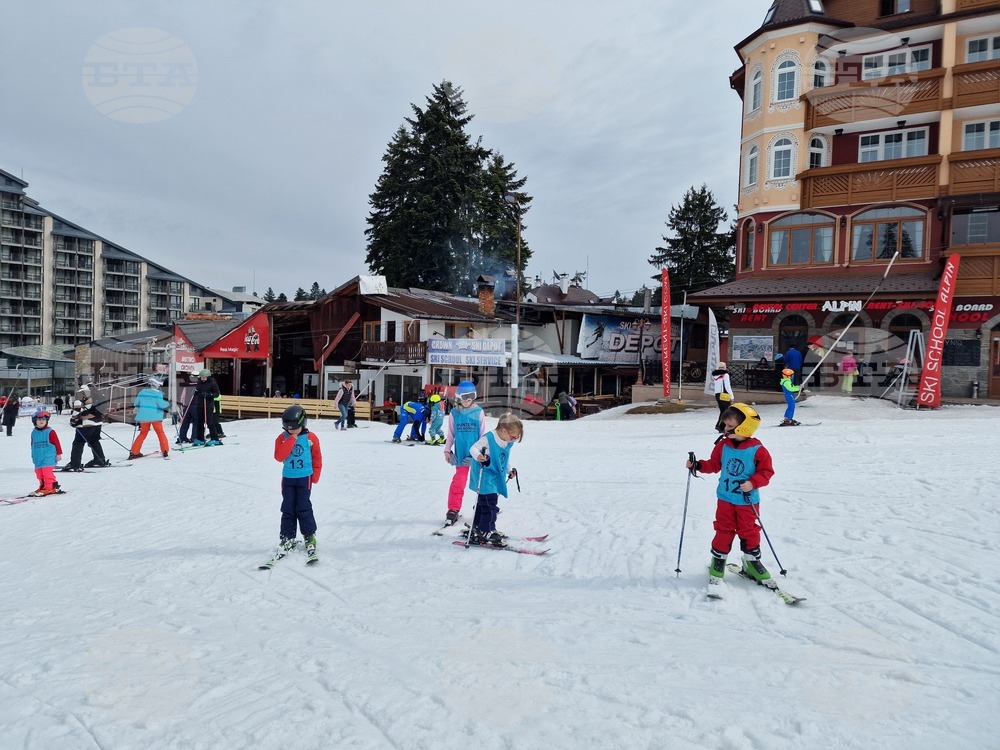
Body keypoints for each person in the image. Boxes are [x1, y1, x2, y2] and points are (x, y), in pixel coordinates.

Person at [685, 403, 774, 595]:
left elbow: (767, 472)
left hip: (747, 501)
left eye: (729, 425)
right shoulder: (723, 445)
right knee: (723, 528)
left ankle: (751, 562)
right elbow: (714, 465)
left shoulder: (758, 450)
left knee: (749, 530)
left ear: (744, 426)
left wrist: (753, 482)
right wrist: (698, 465)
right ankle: (718, 561)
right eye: (725, 425)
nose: (725, 429)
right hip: (725, 498)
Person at [272, 404, 323, 560]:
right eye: (288, 429)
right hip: (288, 478)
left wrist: (316, 475)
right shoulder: (282, 438)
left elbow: (317, 457)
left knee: (303, 507)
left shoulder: (311, 438)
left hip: (304, 478)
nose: (291, 431)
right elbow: (279, 457)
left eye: (294, 428)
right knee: (288, 508)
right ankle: (287, 538)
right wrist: (290, 439)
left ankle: (309, 535)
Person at [467, 413, 524, 547]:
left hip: (495, 474)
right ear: (504, 430)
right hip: (484, 474)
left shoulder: (507, 441)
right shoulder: (489, 438)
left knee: (483, 503)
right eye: (513, 437)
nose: (514, 440)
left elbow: (504, 457)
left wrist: (509, 469)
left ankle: (477, 526)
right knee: (490, 504)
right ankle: (487, 530)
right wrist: (479, 455)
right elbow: (473, 448)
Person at [442, 381, 487, 525]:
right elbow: (450, 434)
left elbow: (483, 436)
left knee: (482, 483)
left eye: (470, 397)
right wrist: (447, 450)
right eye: (464, 397)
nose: (467, 400)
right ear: (458, 397)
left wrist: (479, 455)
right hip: (461, 456)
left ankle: (485, 507)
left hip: (476, 456)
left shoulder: (479, 412)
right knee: (458, 482)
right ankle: (453, 509)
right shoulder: (454, 413)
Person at [129, 376, 171, 460]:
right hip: (155, 417)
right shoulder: (158, 394)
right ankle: (165, 450)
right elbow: (161, 405)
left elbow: (136, 403)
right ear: (156, 385)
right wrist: (169, 403)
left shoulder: (142, 392)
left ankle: (135, 452)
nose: (159, 386)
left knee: (142, 434)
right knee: (160, 433)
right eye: (159, 385)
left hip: (143, 417)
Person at [63, 397, 110, 471]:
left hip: (84, 425)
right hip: (97, 423)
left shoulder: (80, 395)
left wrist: (73, 421)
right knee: (94, 441)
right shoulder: (94, 395)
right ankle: (99, 460)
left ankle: (75, 464)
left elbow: (76, 412)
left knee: (78, 443)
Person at [29, 409, 63, 496]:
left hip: (49, 456)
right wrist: (33, 456)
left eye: (44, 420)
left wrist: (59, 454)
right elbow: (32, 445)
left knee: (47, 472)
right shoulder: (34, 433)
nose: (41, 421)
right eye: (39, 420)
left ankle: (50, 487)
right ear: (35, 421)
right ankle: (43, 486)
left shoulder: (50, 432)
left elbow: (57, 443)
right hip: (38, 457)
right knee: (39, 473)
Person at [193, 368, 224, 446]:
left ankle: (215, 439)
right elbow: (198, 391)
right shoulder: (199, 382)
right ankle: (200, 439)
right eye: (201, 377)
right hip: (200, 404)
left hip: (208, 405)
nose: (202, 379)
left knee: (210, 423)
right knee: (199, 423)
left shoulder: (212, 383)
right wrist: (196, 392)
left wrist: (209, 395)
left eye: (204, 377)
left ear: (208, 377)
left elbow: (216, 394)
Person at [710, 362, 734, 433]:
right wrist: (732, 396)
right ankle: (721, 426)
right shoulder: (725, 375)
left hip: (717, 394)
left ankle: (720, 426)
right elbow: (727, 386)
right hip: (724, 394)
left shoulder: (715, 375)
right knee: (727, 411)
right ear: (725, 367)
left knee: (722, 411)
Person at [175, 374, 199, 445]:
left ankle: (182, 437)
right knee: (196, 422)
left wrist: (183, 404)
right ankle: (194, 438)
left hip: (187, 406)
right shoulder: (199, 385)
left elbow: (182, 396)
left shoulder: (187, 385)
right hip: (196, 406)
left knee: (185, 422)